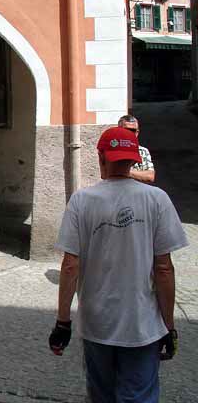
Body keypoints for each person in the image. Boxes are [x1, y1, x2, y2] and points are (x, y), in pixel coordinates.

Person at [49, 127, 188, 402]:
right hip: (142, 325)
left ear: (101, 157)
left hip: (96, 323)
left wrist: (63, 322)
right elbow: (164, 269)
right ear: (134, 159)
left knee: (101, 395)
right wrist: (169, 326)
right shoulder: (156, 199)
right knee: (138, 396)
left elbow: (70, 266)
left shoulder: (81, 201)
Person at [118, 114, 155, 183]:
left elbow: (150, 176)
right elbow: (105, 174)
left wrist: (123, 171)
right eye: (126, 130)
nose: (129, 133)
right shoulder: (112, 149)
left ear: (137, 133)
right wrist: (138, 174)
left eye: (132, 131)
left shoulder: (142, 151)